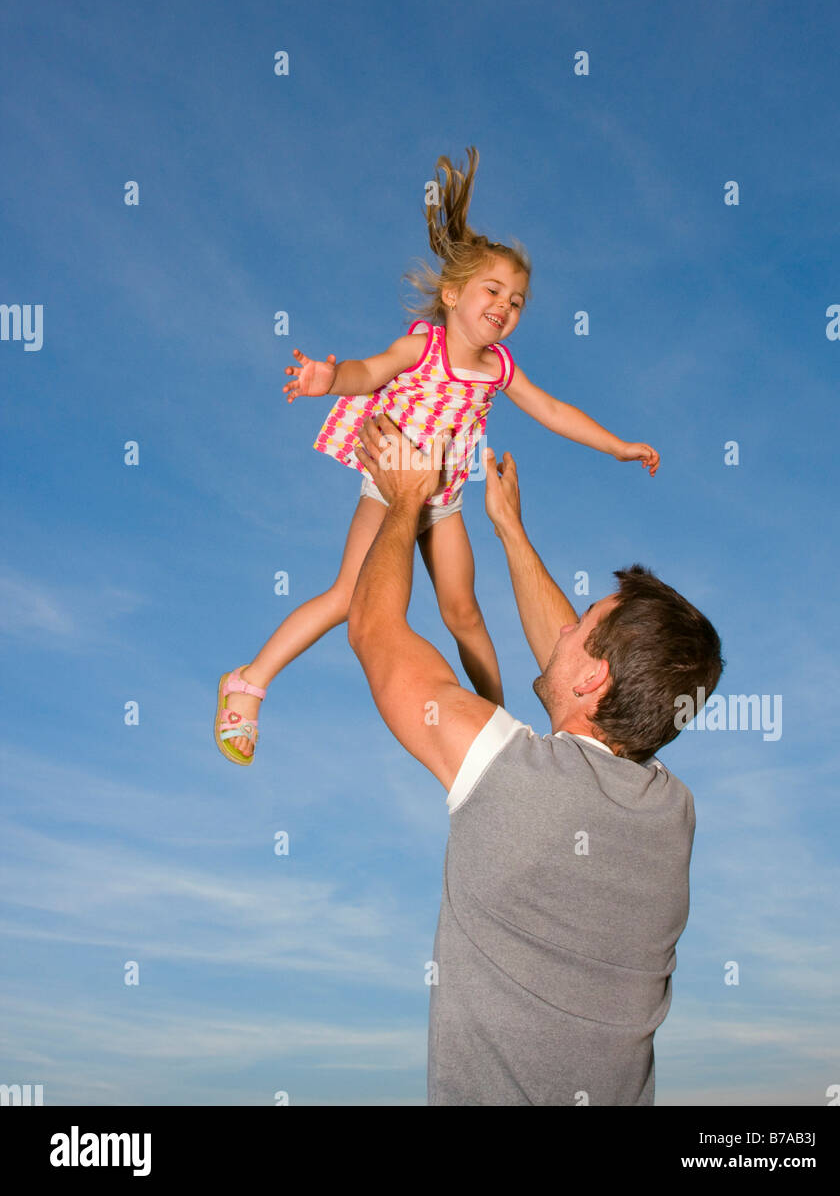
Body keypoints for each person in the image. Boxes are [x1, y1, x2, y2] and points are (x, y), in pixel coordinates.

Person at [214, 145, 659, 765]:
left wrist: (617, 446)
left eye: (516, 302)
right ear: (452, 294)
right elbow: (369, 371)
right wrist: (328, 378)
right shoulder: (421, 347)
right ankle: (248, 682)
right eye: (492, 291)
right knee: (348, 596)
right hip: (393, 485)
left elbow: (553, 410)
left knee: (464, 612)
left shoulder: (499, 369)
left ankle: (500, 729)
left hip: (442, 500)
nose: (504, 308)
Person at [347, 412, 723, 1107]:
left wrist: (405, 498)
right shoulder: (672, 812)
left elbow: (374, 632)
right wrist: (510, 530)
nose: (566, 626)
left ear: (594, 680)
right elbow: (578, 666)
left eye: (581, 624)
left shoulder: (514, 782)